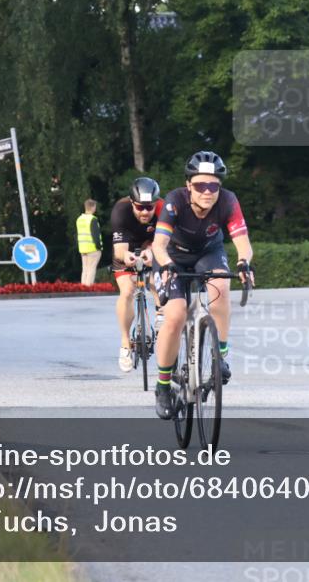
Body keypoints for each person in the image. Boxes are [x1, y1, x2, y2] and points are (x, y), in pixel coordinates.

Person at [151, 151, 255, 419]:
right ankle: (163, 387)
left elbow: (242, 242)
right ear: (189, 185)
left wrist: (244, 262)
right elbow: (158, 245)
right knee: (174, 315)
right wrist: (165, 264)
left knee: (221, 286)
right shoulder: (175, 201)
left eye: (214, 186)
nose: (207, 192)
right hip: (172, 257)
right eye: (200, 185)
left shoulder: (228, 201)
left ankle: (220, 355)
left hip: (209, 252)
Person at [111, 177, 164, 372]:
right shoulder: (121, 210)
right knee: (127, 291)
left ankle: (161, 314)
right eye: (140, 207)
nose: (145, 212)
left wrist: (152, 251)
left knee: (157, 280)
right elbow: (119, 251)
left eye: (149, 207)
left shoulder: (163, 209)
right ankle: (125, 344)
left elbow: (166, 242)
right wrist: (127, 257)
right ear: (132, 203)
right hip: (127, 246)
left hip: (153, 244)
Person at [76, 199, 102, 285]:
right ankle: (89, 287)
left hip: (83, 248)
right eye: (95, 207)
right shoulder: (93, 219)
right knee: (91, 268)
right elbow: (95, 235)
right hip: (93, 248)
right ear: (92, 207)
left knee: (85, 269)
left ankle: (83, 287)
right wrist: (99, 247)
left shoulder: (79, 219)